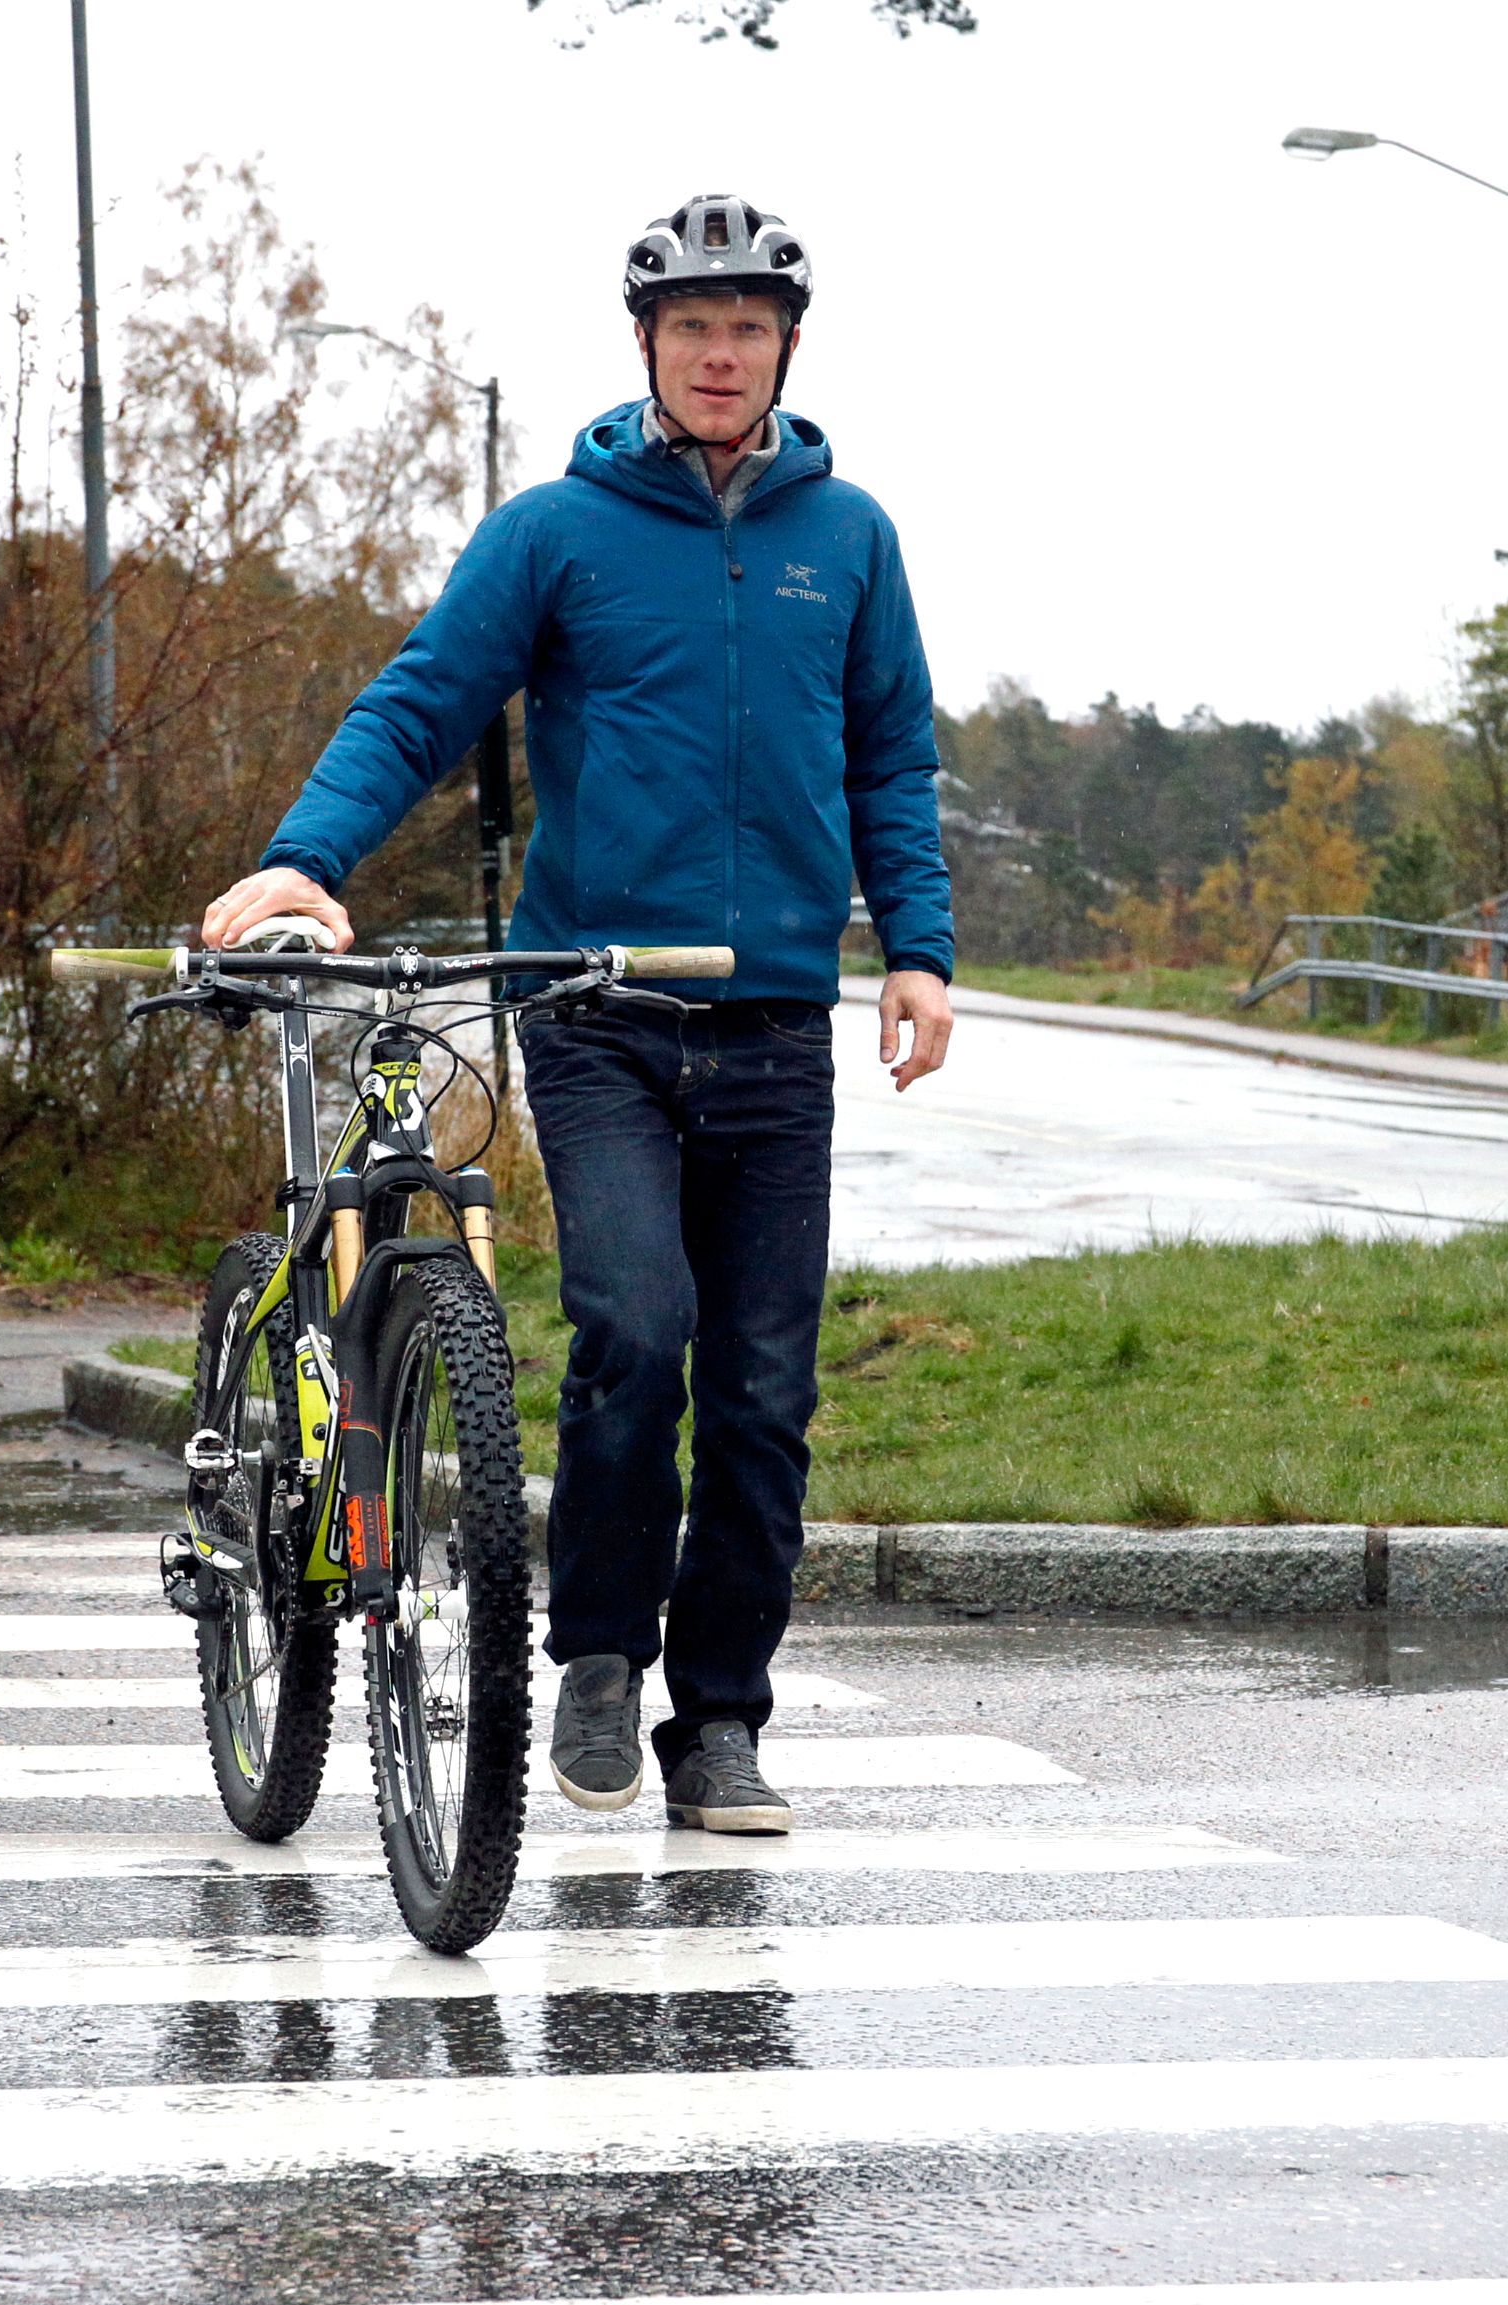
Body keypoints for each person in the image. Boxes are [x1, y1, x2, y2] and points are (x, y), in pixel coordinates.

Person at [199, 194, 954, 1839]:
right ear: (646, 345)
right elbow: (421, 701)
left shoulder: (851, 539)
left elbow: (892, 755)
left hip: (774, 1025)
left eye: (747, 328)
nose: (719, 353)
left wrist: (920, 946)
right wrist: (306, 859)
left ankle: (721, 1721)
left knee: (765, 1388)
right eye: (692, 327)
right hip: (598, 1010)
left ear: (786, 349)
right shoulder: (555, 532)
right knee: (634, 1330)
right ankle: (600, 1660)